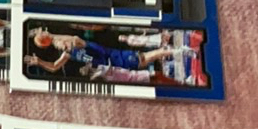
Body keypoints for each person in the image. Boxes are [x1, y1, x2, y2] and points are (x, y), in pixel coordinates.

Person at [24, 29, 192, 82]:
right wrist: (39, 62)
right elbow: (54, 67)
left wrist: (52, 37)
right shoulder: (68, 54)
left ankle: (181, 51)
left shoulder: (77, 43)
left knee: (148, 58)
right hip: (111, 69)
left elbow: (73, 38)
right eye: (59, 45)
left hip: (115, 58)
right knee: (149, 73)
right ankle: (180, 64)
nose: (62, 45)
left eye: (62, 43)